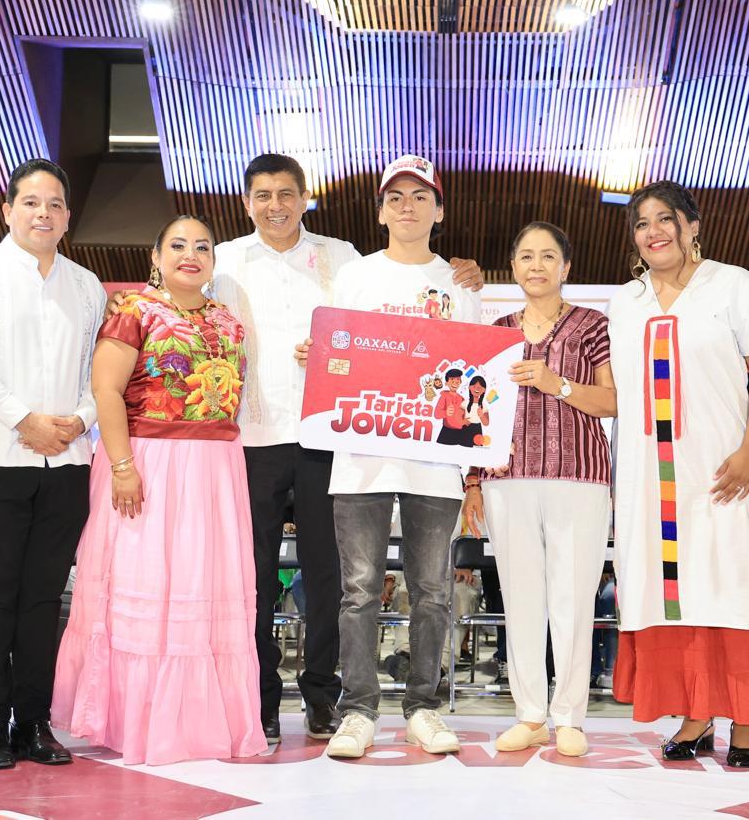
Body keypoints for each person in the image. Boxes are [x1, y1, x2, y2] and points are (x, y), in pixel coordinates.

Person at [207, 153, 482, 743]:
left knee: (335, 579)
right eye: (263, 195)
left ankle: (327, 699)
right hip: (254, 435)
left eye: (287, 193)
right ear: (247, 201)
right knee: (256, 576)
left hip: (329, 438)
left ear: (306, 198)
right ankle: (258, 699)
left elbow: (420, 344)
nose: (276, 205)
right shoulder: (221, 261)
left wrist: (465, 273)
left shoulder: (344, 259)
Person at [52, 215, 266, 765]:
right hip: (148, 461)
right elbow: (106, 390)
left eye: (202, 247)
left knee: (202, 584)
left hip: (216, 469)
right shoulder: (134, 312)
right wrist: (123, 465)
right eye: (178, 245)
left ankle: (200, 722)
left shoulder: (229, 321)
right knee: (148, 581)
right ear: (155, 255)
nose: (191, 255)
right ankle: (135, 720)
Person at [296, 154, 479, 759]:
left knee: (432, 591)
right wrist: (318, 357)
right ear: (379, 212)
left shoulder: (461, 285)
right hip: (361, 454)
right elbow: (337, 352)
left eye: (421, 196)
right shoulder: (355, 277)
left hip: (434, 461)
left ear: (439, 211)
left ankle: (424, 707)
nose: (408, 206)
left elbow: (472, 373)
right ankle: (358, 711)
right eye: (395, 197)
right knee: (358, 591)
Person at [607, 180, 749, 768]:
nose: (653, 231)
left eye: (665, 219)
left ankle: (746, 719)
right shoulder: (625, 302)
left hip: (723, 471)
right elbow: (618, 394)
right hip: (648, 479)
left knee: (731, 585)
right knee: (671, 592)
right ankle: (695, 713)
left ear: (692, 226)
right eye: (642, 223)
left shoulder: (731, 284)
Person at [0, 158, 104, 769]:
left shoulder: (86, 284)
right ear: (8, 210)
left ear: (68, 216)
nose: (44, 213)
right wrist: (23, 419)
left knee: (43, 598)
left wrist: (79, 420)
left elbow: (100, 371)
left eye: (55, 203)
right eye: (31, 202)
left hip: (68, 460)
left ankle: (34, 721)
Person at [462, 221, 615, 756]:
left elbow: (612, 401)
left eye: (548, 256)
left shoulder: (592, 325)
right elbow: (477, 412)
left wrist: (557, 383)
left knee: (573, 597)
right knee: (521, 597)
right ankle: (529, 714)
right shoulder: (497, 332)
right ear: (513, 266)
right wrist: (474, 481)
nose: (536, 265)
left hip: (579, 475)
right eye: (526, 256)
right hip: (508, 479)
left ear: (566, 267)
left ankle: (569, 715)